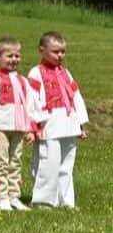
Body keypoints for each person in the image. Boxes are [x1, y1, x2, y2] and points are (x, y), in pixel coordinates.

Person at [27, 32, 88, 209]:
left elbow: (76, 97)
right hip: (49, 123)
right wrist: (34, 125)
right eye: (55, 51)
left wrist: (80, 124)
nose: (60, 55)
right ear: (42, 50)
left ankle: (66, 200)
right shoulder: (36, 73)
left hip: (69, 122)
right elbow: (32, 100)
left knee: (66, 164)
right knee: (48, 163)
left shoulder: (66, 72)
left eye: (62, 51)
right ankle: (44, 201)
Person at [0, 37, 37, 212]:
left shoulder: (23, 81)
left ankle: (14, 196)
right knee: (1, 161)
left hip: (19, 127)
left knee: (16, 161)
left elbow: (29, 104)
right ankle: (2, 196)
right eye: (9, 56)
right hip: (1, 127)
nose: (14, 60)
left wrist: (30, 128)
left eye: (17, 56)